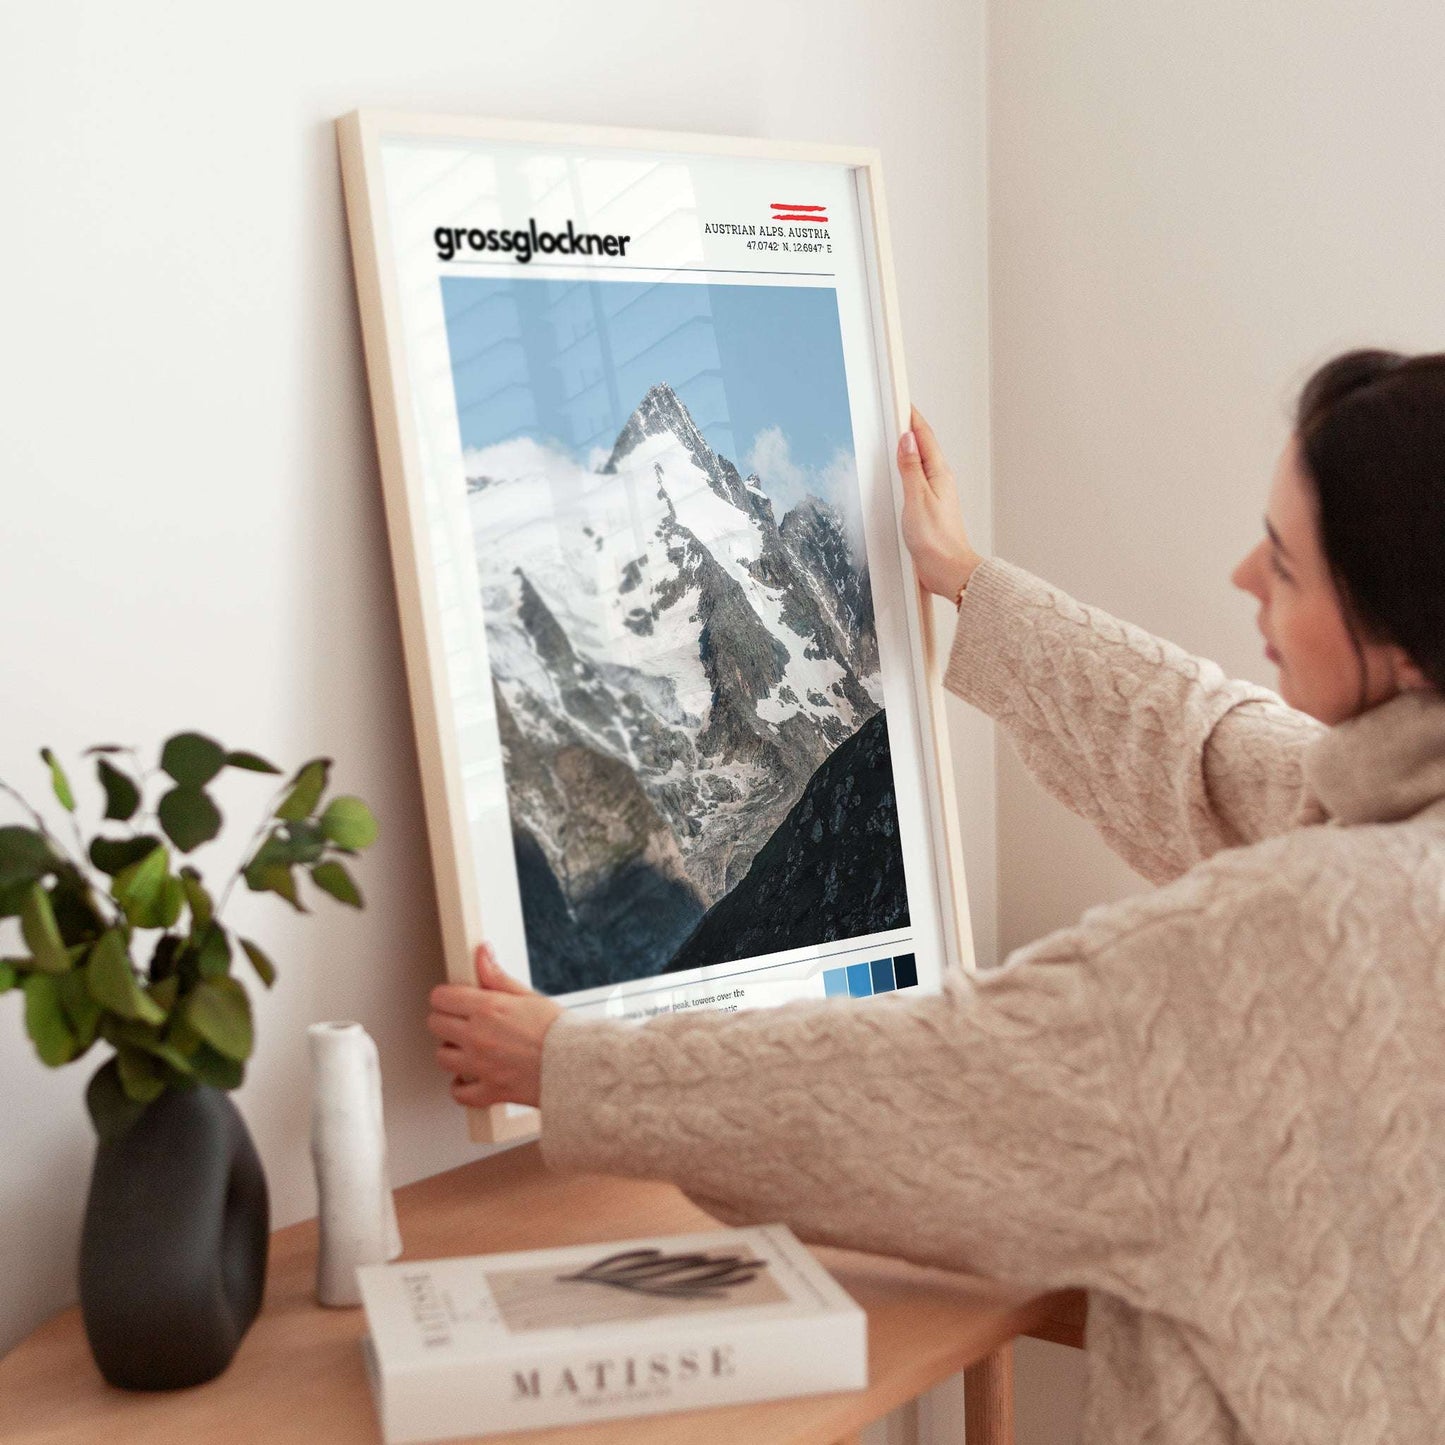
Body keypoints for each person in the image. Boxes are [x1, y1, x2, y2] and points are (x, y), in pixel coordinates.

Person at [426, 349, 1445, 1443]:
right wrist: (965, 578)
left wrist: (566, 1064)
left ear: (1395, 638)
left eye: (1286, 566)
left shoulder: (1281, 941)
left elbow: (926, 1085)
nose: (1244, 574)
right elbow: (1205, 749)